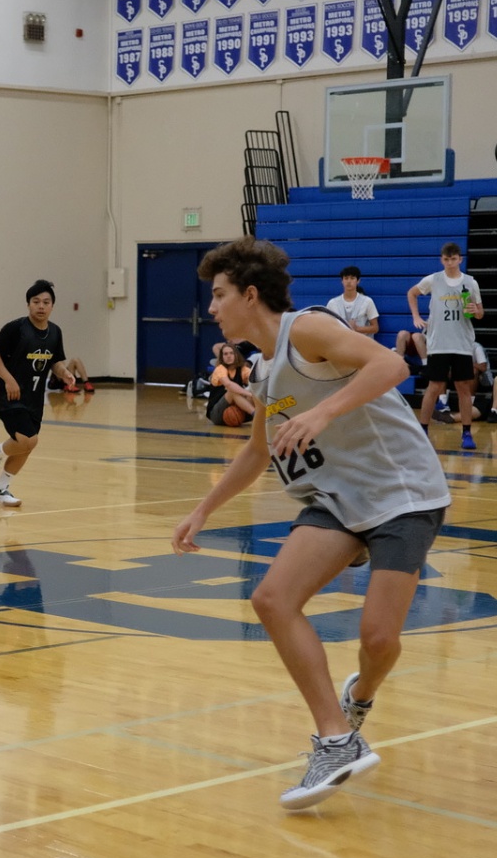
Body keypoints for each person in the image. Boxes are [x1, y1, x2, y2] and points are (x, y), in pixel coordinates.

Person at [172, 236, 450, 811]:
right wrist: (202, 510)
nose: (213, 307)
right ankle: (336, 740)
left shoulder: (307, 329)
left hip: (403, 494)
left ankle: (361, 695)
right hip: (338, 500)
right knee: (272, 599)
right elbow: (257, 451)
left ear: (251, 295)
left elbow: (393, 364)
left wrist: (322, 412)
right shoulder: (263, 374)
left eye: (220, 295)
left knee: (379, 639)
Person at [0, 279, 74, 506]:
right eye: (36, 301)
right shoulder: (16, 329)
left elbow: (55, 362)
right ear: (28, 304)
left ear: (52, 306)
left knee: (28, 445)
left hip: (34, 398)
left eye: (46, 302)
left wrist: (64, 373)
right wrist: (9, 379)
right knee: (26, 439)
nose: (41, 306)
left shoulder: (55, 332)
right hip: (10, 395)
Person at [408, 242, 485, 448]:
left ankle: (466, 433)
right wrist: (416, 316)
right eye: (446, 259)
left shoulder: (470, 282)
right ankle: (423, 430)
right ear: (442, 260)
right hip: (438, 343)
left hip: (461, 343)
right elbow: (412, 293)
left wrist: (476, 311)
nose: (450, 262)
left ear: (460, 259)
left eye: (453, 259)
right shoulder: (433, 280)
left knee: (463, 388)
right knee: (434, 387)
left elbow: (480, 313)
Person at [206, 342, 255, 426]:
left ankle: (263, 414)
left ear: (236, 355)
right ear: (222, 357)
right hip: (216, 414)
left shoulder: (242, 369)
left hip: (236, 411)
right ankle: (256, 414)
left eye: (231, 353)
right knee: (232, 392)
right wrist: (248, 393)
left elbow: (256, 382)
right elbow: (229, 385)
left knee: (254, 391)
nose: (229, 356)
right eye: (225, 354)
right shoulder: (220, 369)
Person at [327, 265, 379, 336]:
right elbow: (327, 327)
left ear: (358, 281)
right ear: (342, 281)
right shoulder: (332, 303)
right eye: (346, 278)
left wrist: (357, 328)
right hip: (340, 341)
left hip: (360, 341)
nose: (349, 281)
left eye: (352, 278)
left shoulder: (367, 301)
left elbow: (375, 328)